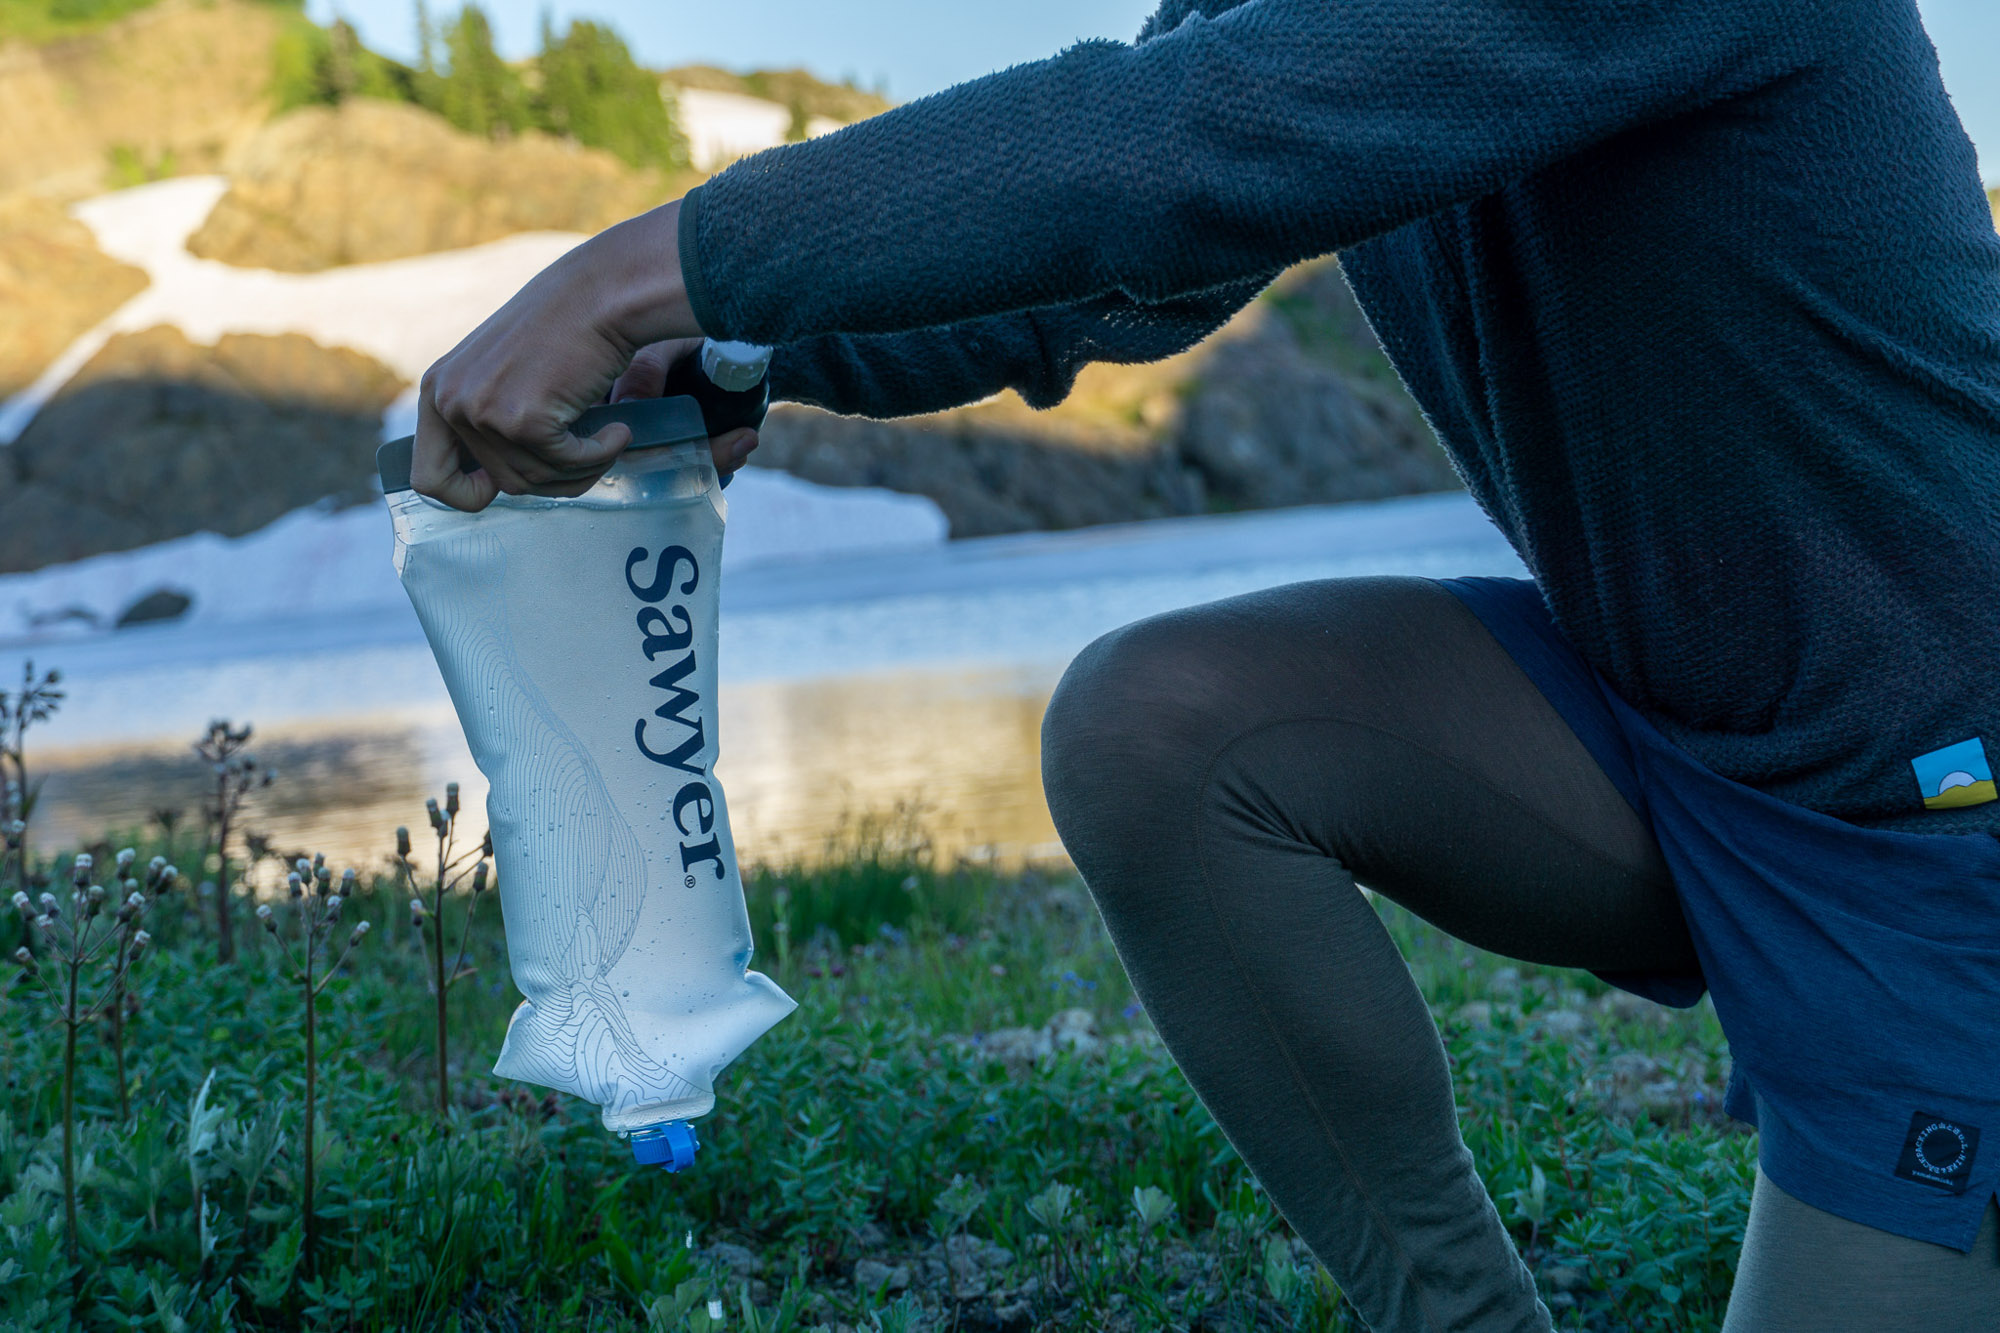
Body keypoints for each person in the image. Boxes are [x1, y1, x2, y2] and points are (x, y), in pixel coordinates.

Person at [412, 1, 2000, 1327]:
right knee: (1162, 725)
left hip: (1940, 797)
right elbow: (1125, 267)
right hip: (1681, 731)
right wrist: (751, 350)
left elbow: (1176, 147)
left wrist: (639, 273)